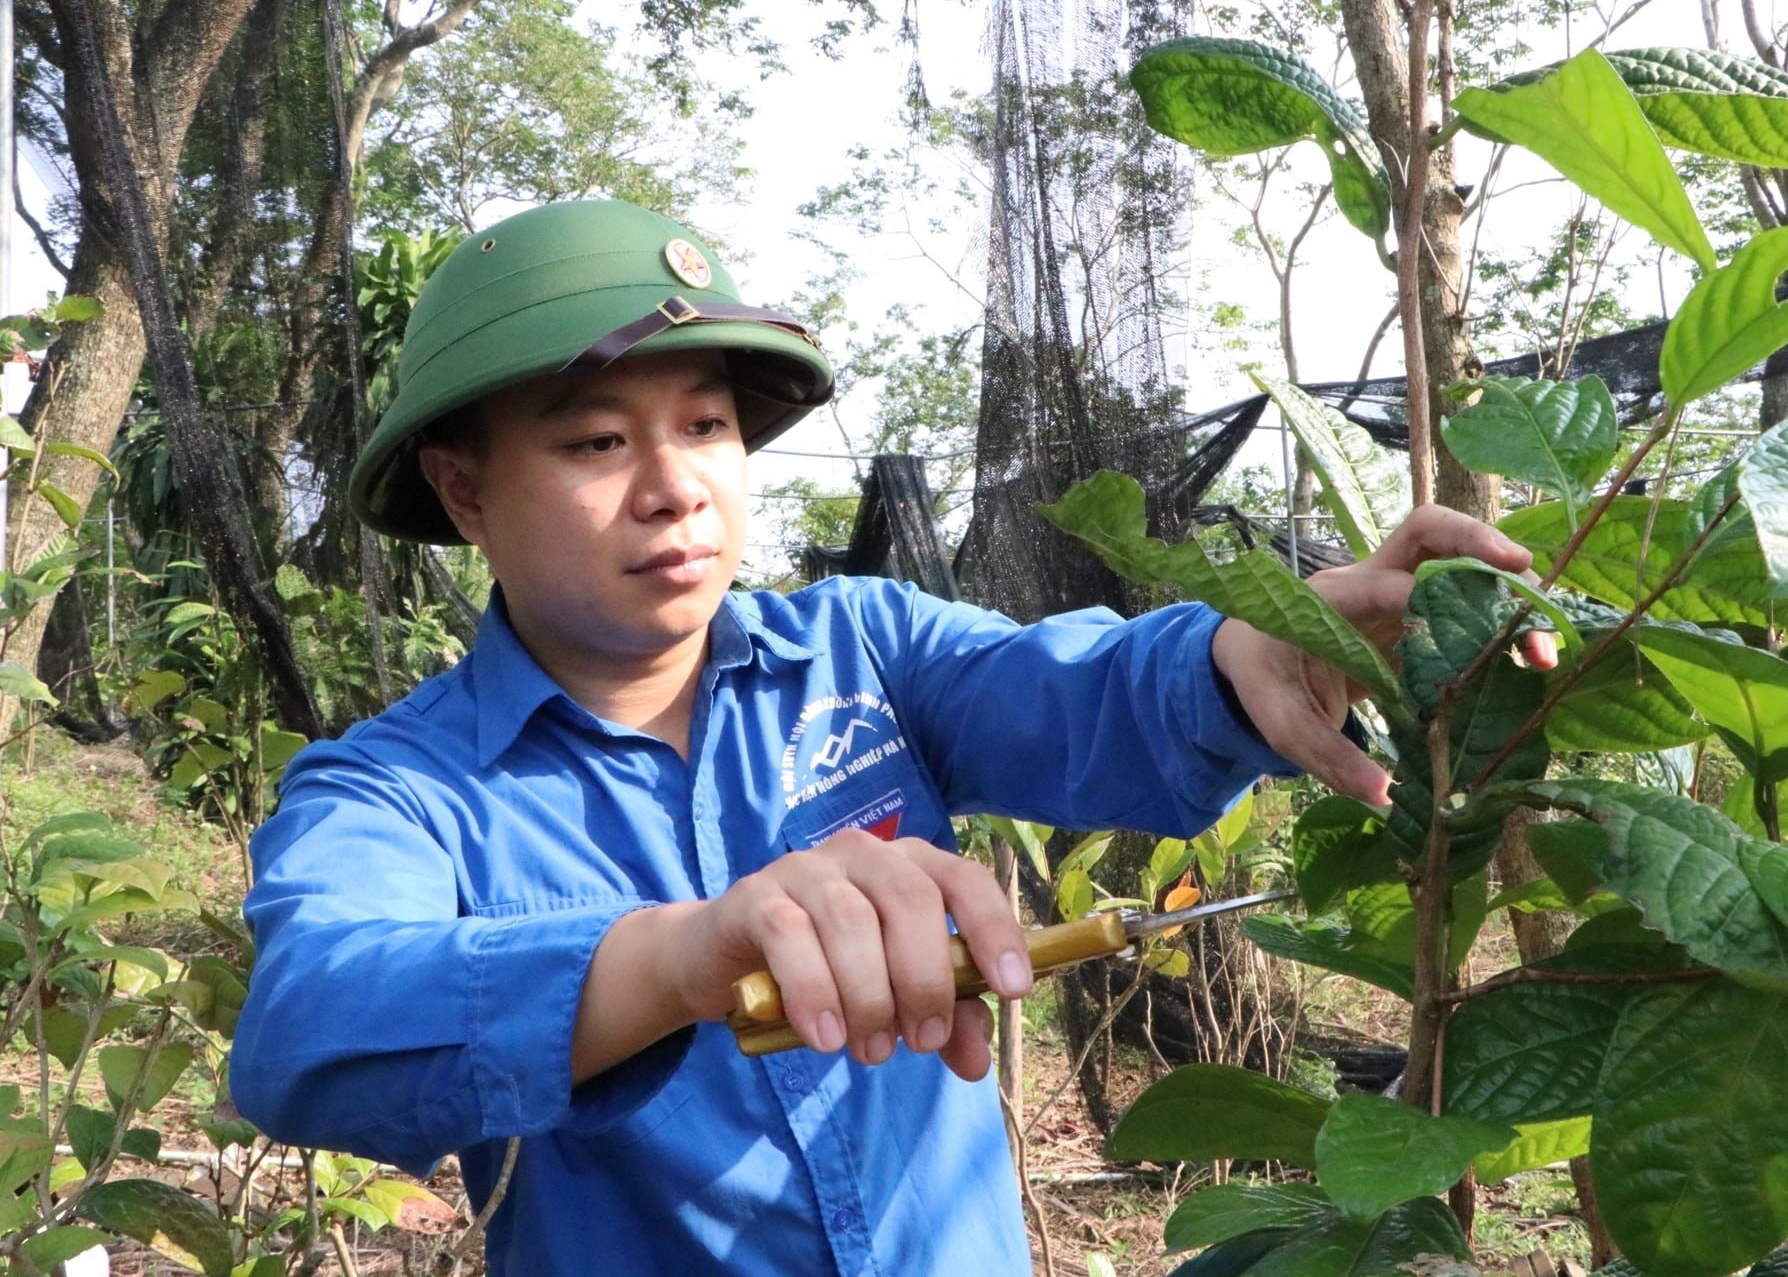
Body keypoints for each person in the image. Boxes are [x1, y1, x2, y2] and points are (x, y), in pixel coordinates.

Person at [229, 199, 1550, 1275]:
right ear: (465, 490)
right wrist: (681, 956)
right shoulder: (401, 789)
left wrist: (1243, 651)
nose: (675, 484)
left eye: (705, 424)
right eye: (594, 441)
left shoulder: (864, 652)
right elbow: (312, 1026)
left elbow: (1078, 692)